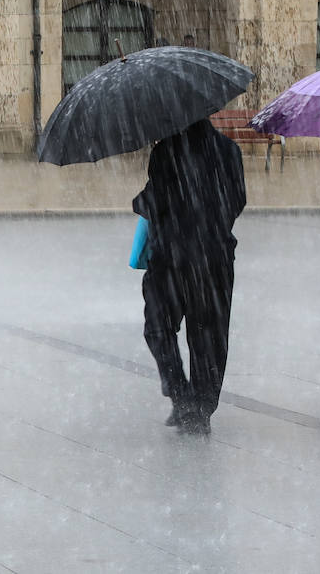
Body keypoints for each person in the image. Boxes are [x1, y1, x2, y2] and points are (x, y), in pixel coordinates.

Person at [132, 118, 246, 436]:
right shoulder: (229, 151)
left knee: (158, 328)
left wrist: (139, 202)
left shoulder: (166, 152)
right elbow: (237, 201)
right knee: (209, 336)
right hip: (215, 259)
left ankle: (181, 394)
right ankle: (202, 407)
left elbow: (152, 202)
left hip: (171, 258)